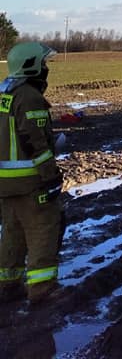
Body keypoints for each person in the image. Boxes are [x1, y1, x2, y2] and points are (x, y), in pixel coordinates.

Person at [0, 42, 64, 305]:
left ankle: (8, 284)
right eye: (44, 63)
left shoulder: (5, 93)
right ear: (32, 65)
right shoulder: (29, 96)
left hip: (5, 184)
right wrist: (50, 175)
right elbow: (35, 141)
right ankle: (41, 289)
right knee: (43, 232)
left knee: (12, 234)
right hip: (30, 182)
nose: (46, 68)